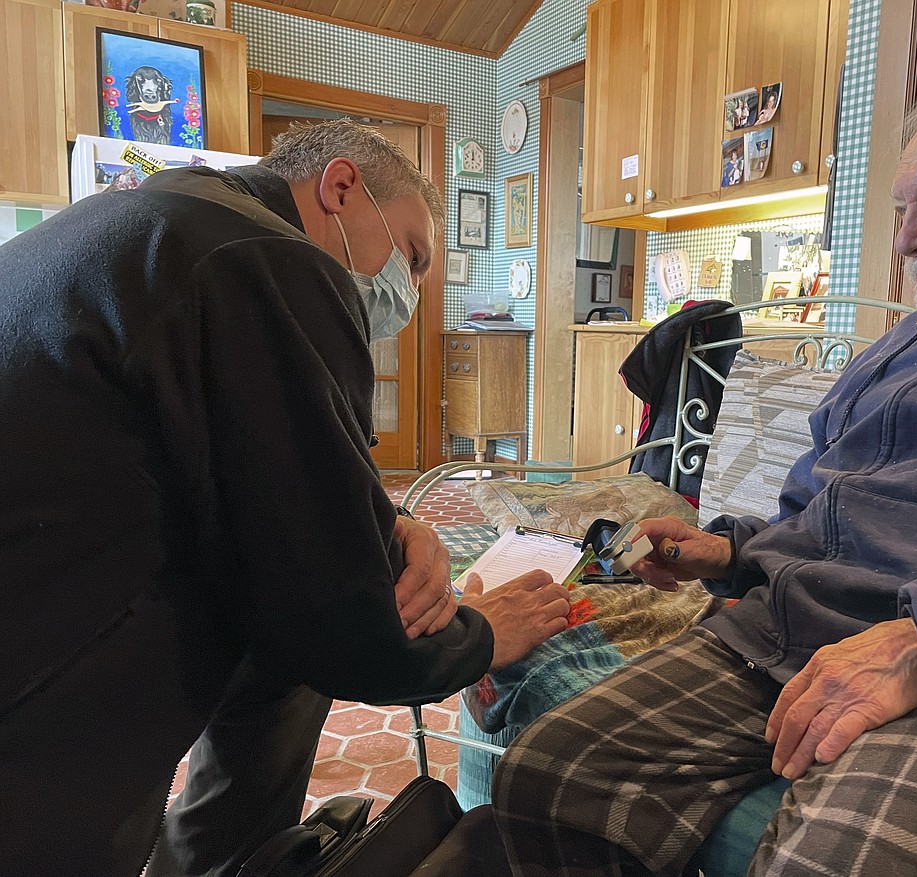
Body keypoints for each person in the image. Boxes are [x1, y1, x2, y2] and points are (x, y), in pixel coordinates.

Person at [491, 70, 917, 876]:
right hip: (785, 633)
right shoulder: (897, 347)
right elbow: (813, 509)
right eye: (897, 210)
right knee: (550, 773)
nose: (904, 240)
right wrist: (732, 552)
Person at [0, 119, 571, 876]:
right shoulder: (271, 259)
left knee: (277, 648)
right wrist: (481, 635)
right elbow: (349, 627)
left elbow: (265, 469)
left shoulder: (155, 217)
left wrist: (392, 519)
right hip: (38, 704)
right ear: (340, 188)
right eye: (411, 255)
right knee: (301, 627)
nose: (407, 292)